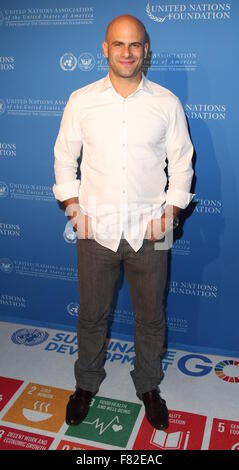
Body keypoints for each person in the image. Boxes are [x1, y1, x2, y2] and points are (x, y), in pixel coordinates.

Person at [53, 14, 194, 430]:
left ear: (145, 50)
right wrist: (75, 210)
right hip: (96, 230)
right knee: (92, 316)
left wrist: (168, 215)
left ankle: (148, 385)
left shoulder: (166, 102)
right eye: (119, 44)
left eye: (135, 45)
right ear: (105, 49)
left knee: (151, 317)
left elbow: (182, 163)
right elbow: (64, 157)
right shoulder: (81, 100)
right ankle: (87, 384)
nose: (127, 53)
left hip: (151, 232)